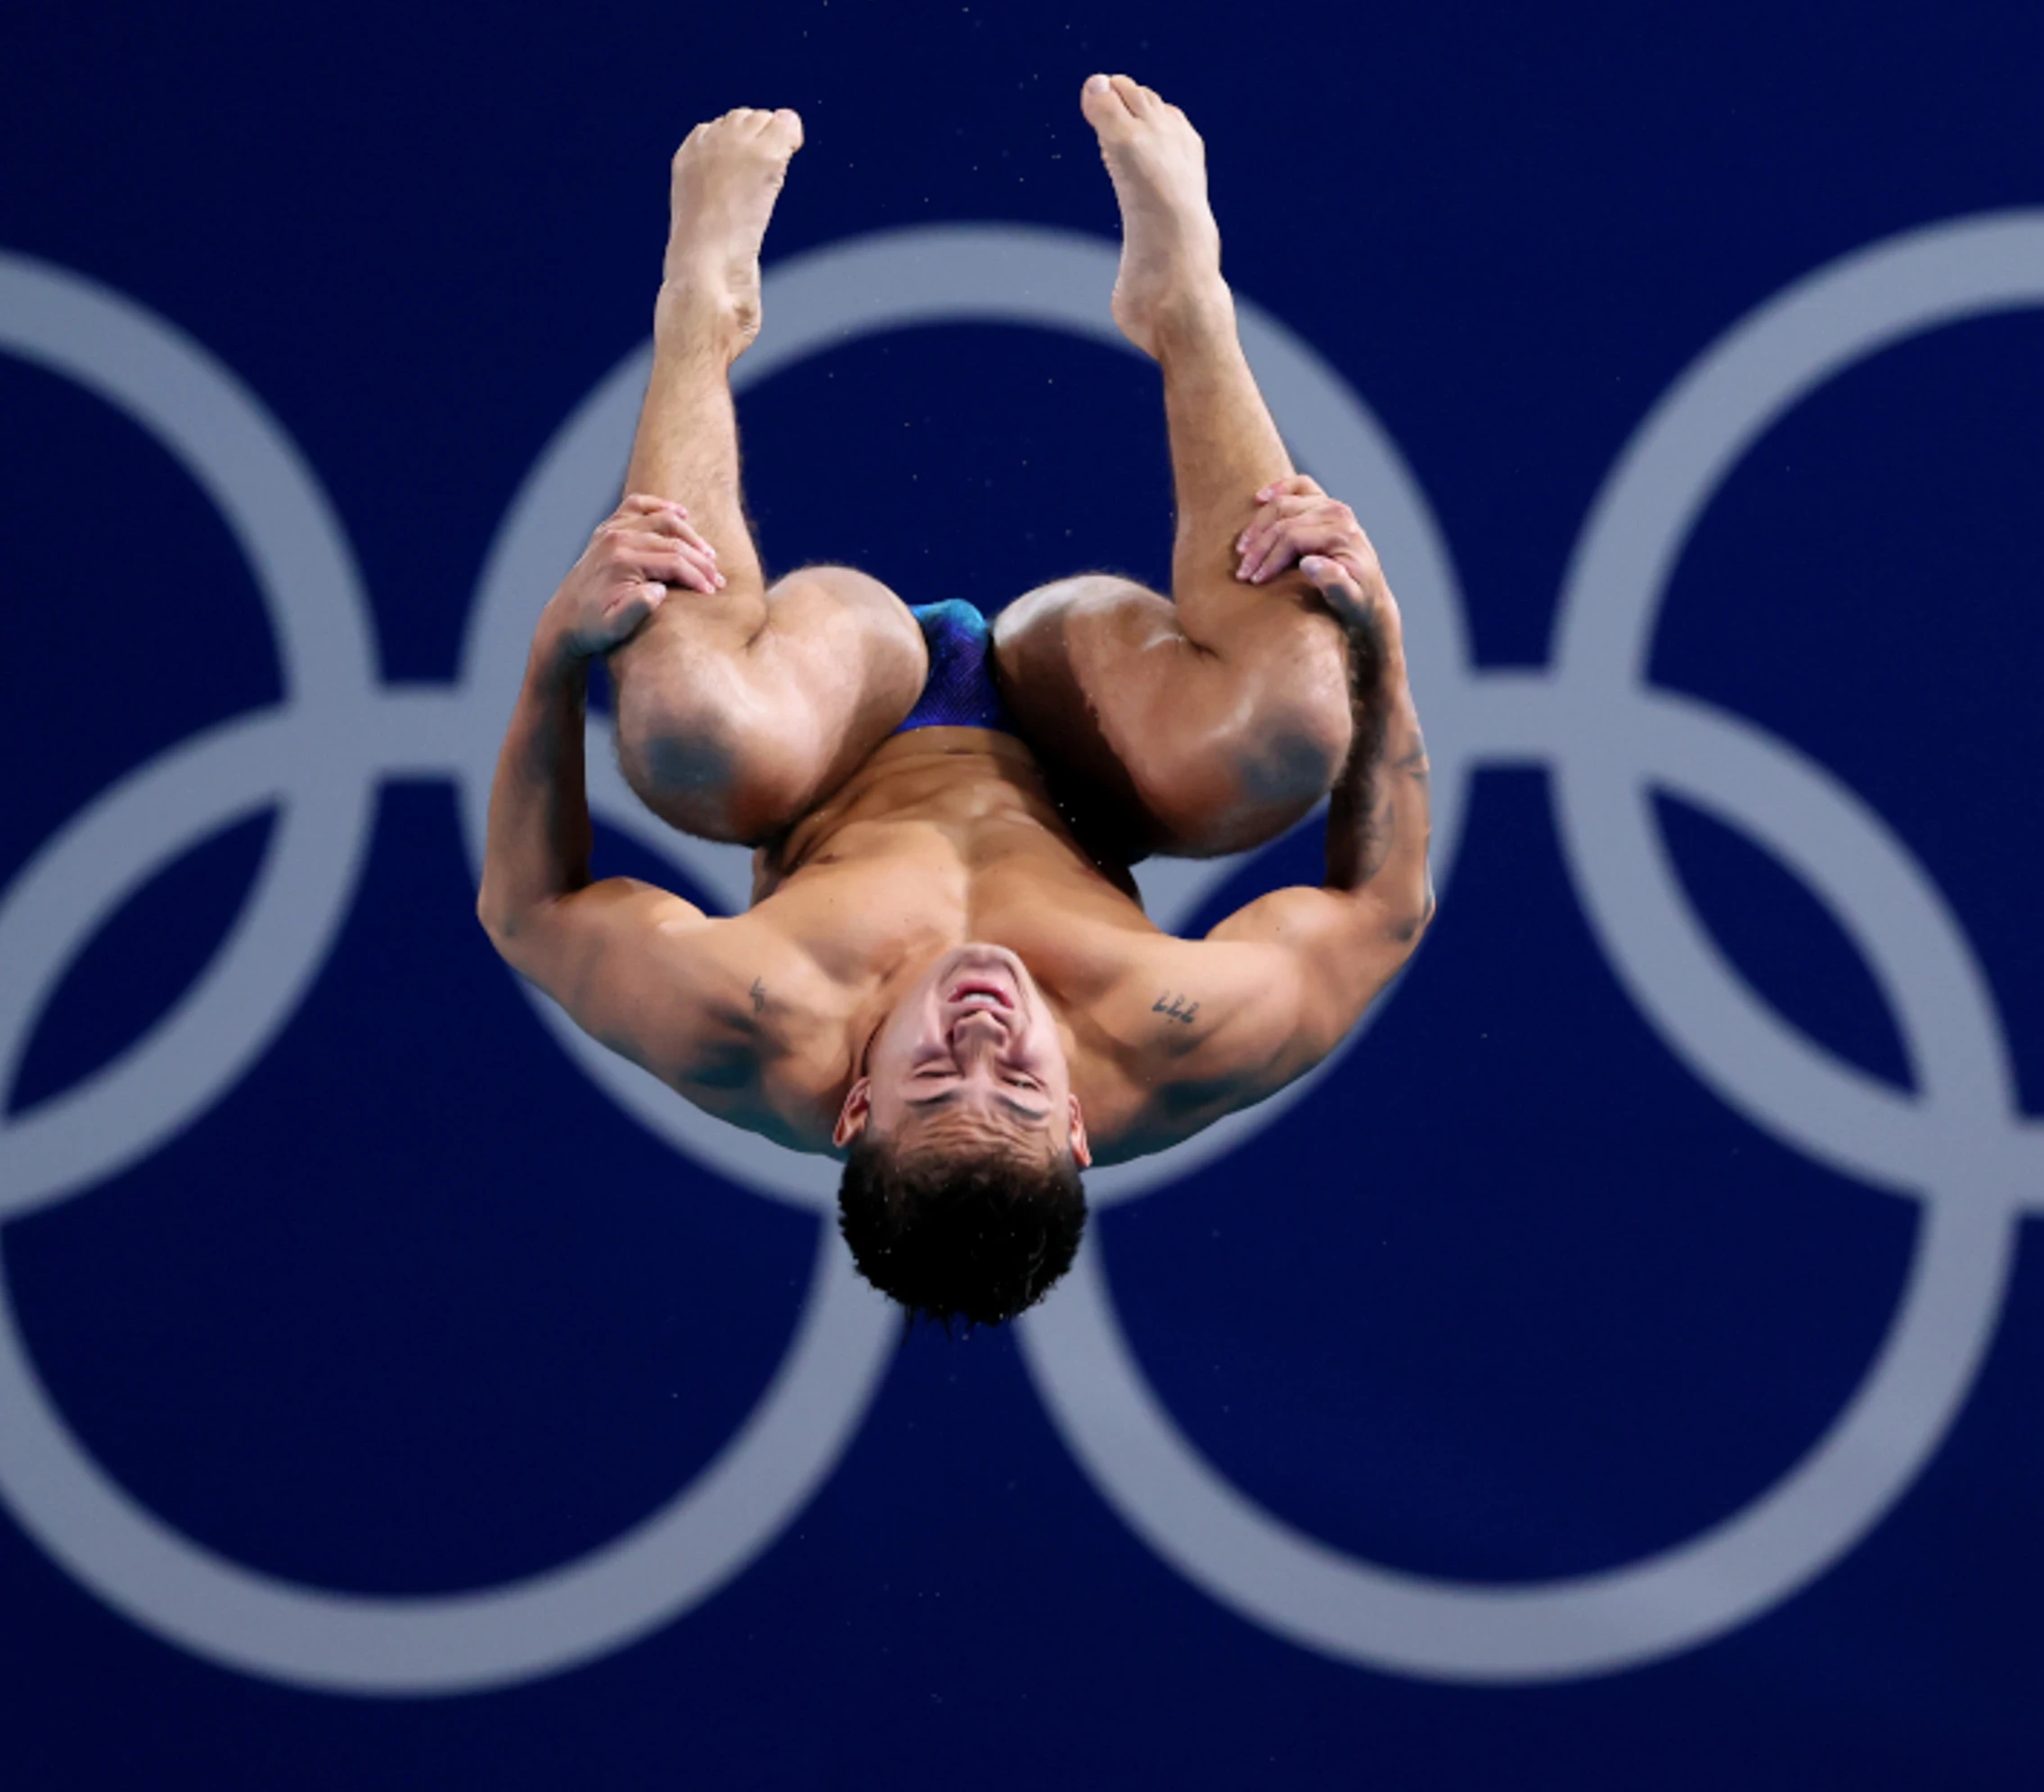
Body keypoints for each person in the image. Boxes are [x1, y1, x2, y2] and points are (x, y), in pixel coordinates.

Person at [479, 77, 1432, 1327]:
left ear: (855, 1107)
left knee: (695, 738)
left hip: (841, 717)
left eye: (934, 1082)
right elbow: (1383, 912)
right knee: (1293, 727)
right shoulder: (1184, 1039)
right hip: (1083, 733)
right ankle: (1188, 306)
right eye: (1019, 1089)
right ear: (1079, 1125)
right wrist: (1379, 641)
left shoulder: (747, 1023)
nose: (981, 1036)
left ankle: (701, 311)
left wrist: (557, 652)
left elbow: (528, 909)